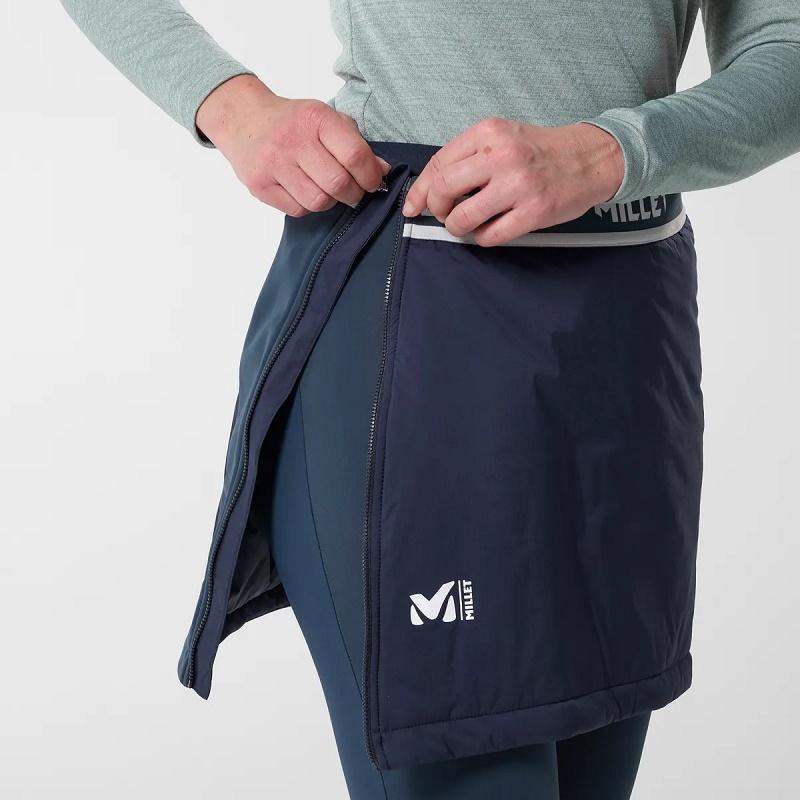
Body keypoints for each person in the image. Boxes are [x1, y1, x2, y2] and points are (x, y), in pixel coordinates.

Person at [59, 2, 800, 798]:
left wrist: (612, 151)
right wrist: (230, 105)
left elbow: (785, 46)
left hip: (628, 329)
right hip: (416, 311)